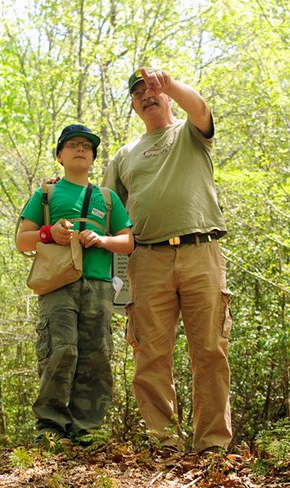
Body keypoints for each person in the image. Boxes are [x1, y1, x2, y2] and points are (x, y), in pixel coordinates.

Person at [104, 68, 232, 454]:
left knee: (210, 350)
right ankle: (164, 444)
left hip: (201, 251)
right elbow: (108, 214)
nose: (147, 95)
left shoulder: (191, 134)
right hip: (147, 259)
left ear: (168, 96)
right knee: (151, 355)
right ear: (133, 105)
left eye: (153, 89)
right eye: (139, 92)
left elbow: (201, 107)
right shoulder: (124, 156)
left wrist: (171, 82)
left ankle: (211, 445)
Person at [16, 124, 134, 443]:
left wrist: (101, 239)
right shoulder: (47, 194)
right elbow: (22, 240)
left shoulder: (107, 199)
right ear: (60, 155)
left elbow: (127, 241)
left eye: (87, 146)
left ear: (94, 158)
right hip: (58, 283)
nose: (80, 149)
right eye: (72, 144)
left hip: (98, 285)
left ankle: (87, 429)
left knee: (96, 352)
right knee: (60, 349)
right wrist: (48, 233)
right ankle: (51, 428)